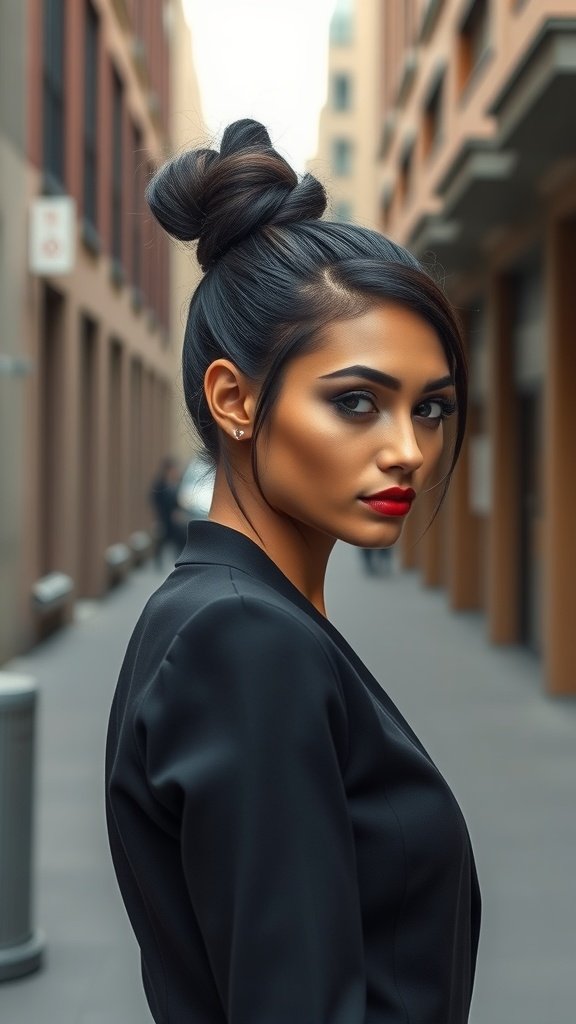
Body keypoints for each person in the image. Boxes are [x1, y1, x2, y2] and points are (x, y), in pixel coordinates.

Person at [105, 120, 480, 1024]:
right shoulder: (245, 641)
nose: (409, 451)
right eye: (357, 402)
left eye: (430, 409)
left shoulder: (226, 612)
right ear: (234, 400)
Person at [149, 456, 187, 568]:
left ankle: (180, 559)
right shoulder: (160, 484)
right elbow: (155, 498)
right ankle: (158, 561)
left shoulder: (175, 482)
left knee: (179, 537)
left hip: (172, 517)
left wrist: (178, 510)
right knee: (162, 539)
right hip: (164, 516)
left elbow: (177, 499)